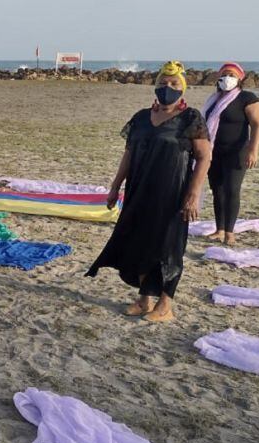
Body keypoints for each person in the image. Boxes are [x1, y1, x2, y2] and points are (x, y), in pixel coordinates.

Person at [86, 61, 212, 323]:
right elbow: (129, 154)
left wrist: (193, 194)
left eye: (174, 83)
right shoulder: (141, 118)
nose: (168, 88)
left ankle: (165, 305)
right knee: (138, 242)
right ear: (155, 86)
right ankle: (144, 300)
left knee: (168, 248)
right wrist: (115, 186)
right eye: (163, 83)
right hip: (139, 189)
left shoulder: (191, 118)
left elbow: (204, 157)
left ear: (183, 88)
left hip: (172, 193)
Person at [201, 62, 259, 245]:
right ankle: (219, 229)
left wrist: (253, 149)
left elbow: (257, 124)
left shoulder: (247, 98)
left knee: (232, 190)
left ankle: (230, 232)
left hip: (237, 151)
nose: (227, 78)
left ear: (239, 78)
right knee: (217, 190)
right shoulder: (215, 99)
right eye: (224, 74)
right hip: (214, 151)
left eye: (231, 74)